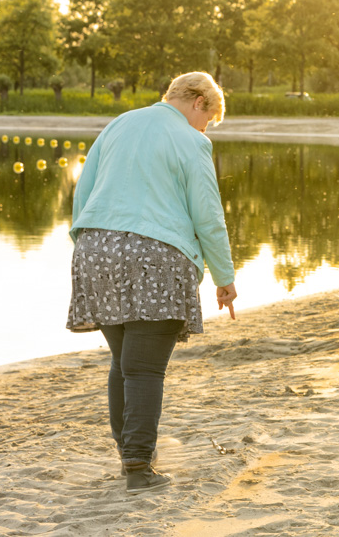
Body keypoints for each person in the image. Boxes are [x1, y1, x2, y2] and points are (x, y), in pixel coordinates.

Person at [66, 71, 238, 495]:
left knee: (123, 362)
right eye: (209, 118)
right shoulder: (191, 139)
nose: (206, 128)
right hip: (156, 255)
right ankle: (139, 468)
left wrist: (87, 244)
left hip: (96, 249)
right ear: (198, 101)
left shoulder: (119, 123)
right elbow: (207, 215)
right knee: (143, 368)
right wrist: (225, 276)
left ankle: (132, 453)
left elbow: (81, 193)